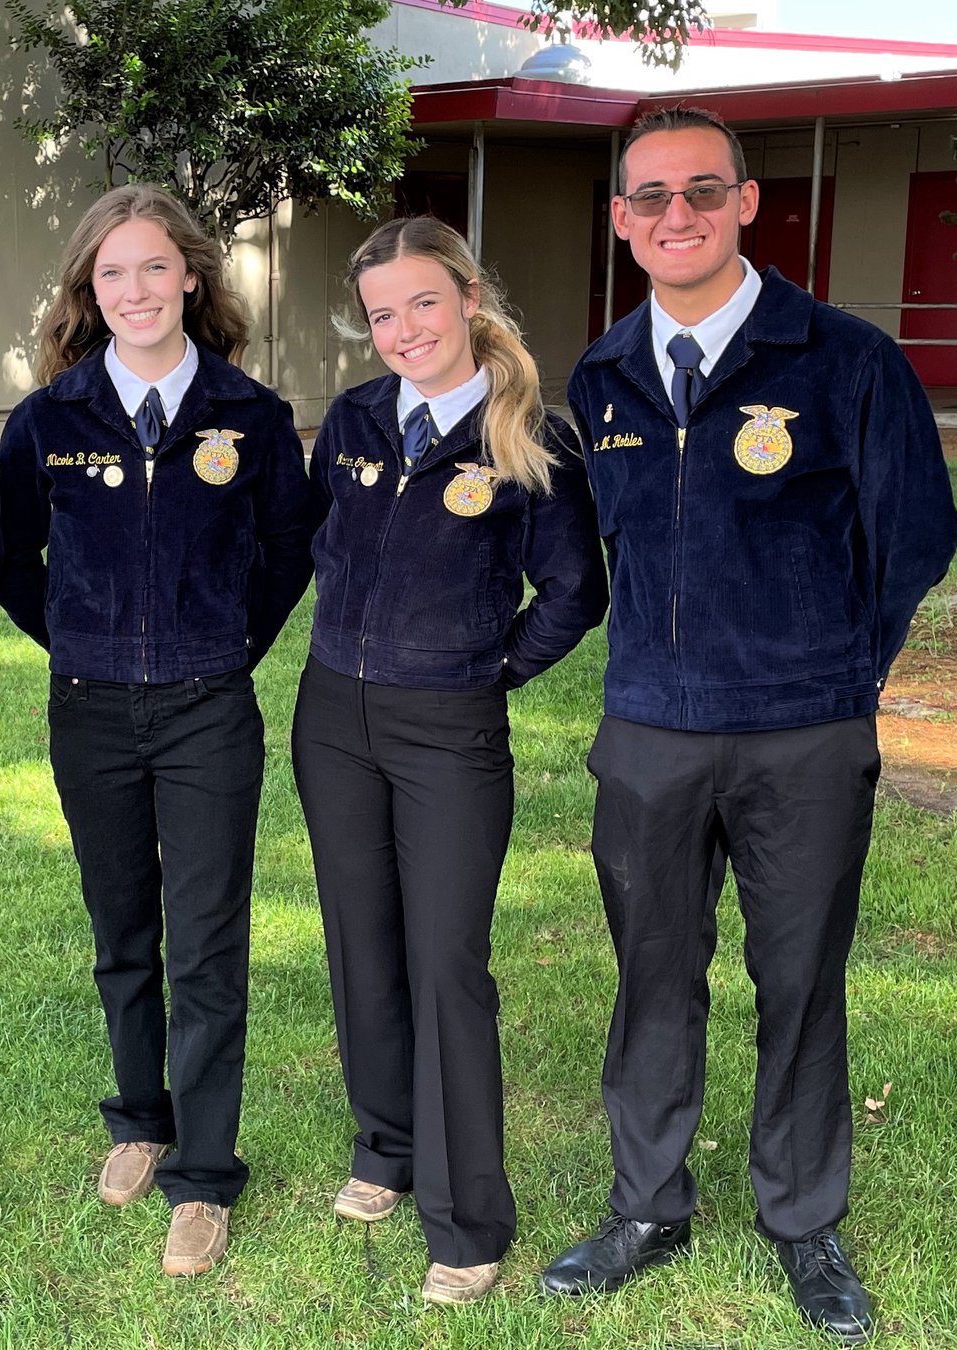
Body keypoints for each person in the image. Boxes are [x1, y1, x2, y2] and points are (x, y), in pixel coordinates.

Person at [538, 107, 957, 1345]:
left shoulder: (844, 359)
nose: (679, 216)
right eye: (652, 198)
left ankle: (803, 1222)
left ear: (747, 204)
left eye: (703, 193)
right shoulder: (602, 372)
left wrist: (832, 669)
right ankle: (647, 1207)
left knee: (798, 979)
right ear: (621, 218)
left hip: (804, 735)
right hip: (652, 733)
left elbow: (914, 537)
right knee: (654, 979)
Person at [0, 184, 316, 1277]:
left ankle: (204, 1174)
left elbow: (285, 558)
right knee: (123, 933)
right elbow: (8, 560)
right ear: (91, 291)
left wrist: (217, 643)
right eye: (110, 273)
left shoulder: (253, 418)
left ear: (191, 276)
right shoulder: (49, 420)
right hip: (90, 710)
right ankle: (142, 1118)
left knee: (209, 946)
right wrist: (81, 638)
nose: (133, 289)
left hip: (206, 711)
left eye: (152, 267)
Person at [293, 216, 607, 1306]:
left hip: (449, 734)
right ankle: (384, 1143)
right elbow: (312, 543)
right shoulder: (353, 420)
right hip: (333, 717)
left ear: (469, 299)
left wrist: (490, 669)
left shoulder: (528, 435)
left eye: (423, 303)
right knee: (362, 945)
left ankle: (468, 1217)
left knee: (445, 966)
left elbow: (576, 591)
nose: (403, 330)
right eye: (382, 314)